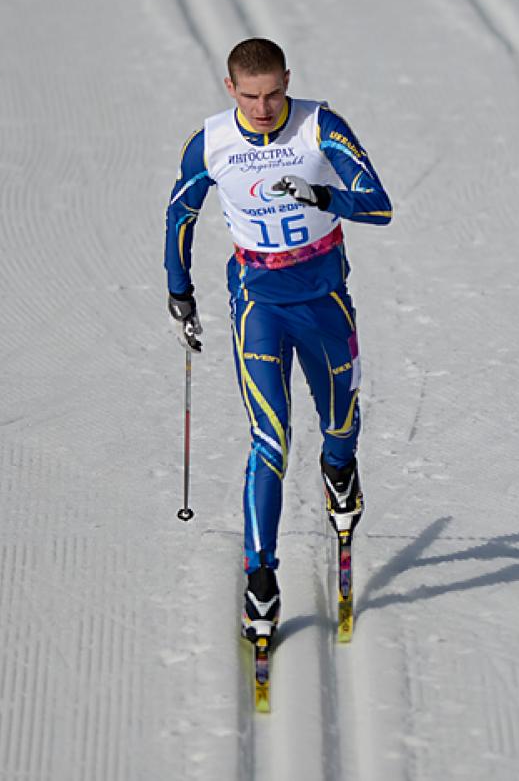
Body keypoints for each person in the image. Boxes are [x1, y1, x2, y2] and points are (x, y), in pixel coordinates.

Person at [164, 38, 392, 643]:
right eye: (251, 95)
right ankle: (260, 580)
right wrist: (178, 290)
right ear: (230, 88)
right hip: (258, 301)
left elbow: (379, 205)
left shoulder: (321, 125)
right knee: (271, 438)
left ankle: (339, 470)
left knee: (341, 425)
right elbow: (179, 215)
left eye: (274, 94)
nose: (264, 108)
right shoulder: (211, 142)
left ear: (288, 80)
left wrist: (323, 194)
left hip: (322, 298)